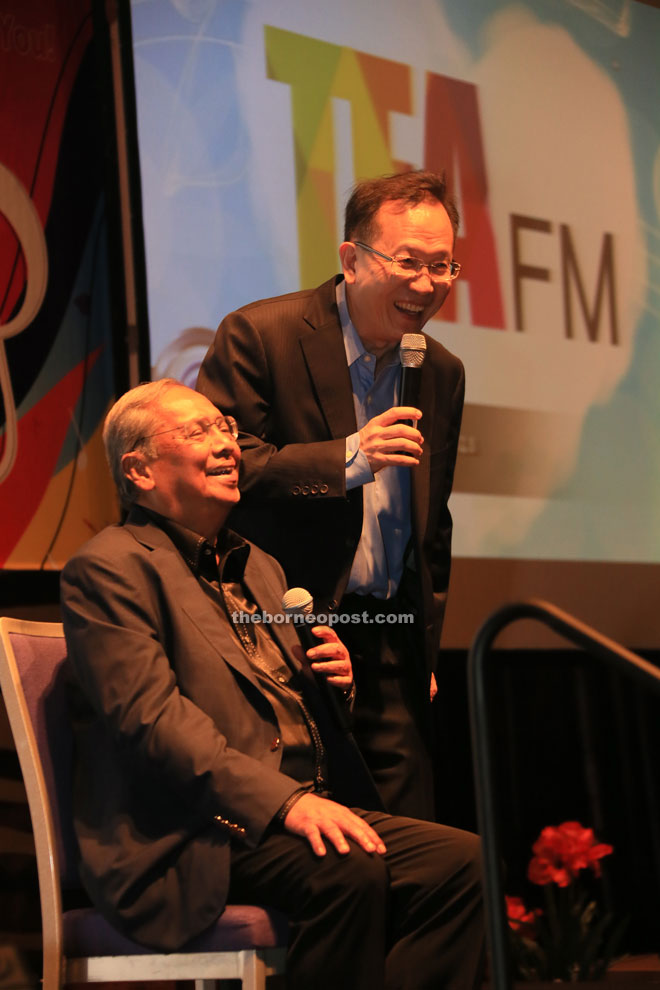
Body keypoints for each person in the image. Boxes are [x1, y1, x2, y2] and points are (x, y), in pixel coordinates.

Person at [60, 379, 484, 990]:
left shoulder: (260, 566)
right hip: (193, 833)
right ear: (140, 470)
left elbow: (278, 705)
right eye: (199, 431)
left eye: (226, 429)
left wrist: (330, 684)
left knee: (458, 864)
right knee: (350, 869)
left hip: (292, 813)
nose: (227, 444)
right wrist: (285, 803)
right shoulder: (111, 567)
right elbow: (152, 723)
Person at [196, 169, 464, 820]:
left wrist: (423, 647)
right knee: (320, 850)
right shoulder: (262, 335)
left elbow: (429, 526)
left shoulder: (441, 371)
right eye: (409, 263)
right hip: (285, 636)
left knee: (414, 851)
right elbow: (219, 474)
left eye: (444, 266)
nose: (428, 285)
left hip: (390, 644)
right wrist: (348, 459)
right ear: (352, 258)